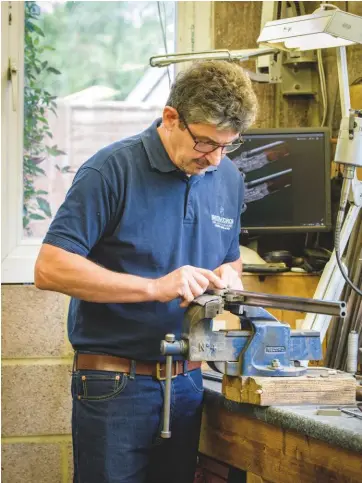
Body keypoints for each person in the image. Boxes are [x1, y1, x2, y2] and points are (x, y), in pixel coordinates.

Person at [34, 60, 257, 483]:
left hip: (190, 382)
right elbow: (50, 268)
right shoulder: (111, 170)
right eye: (206, 143)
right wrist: (155, 287)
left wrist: (229, 275)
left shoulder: (227, 177)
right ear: (171, 118)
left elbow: (230, 257)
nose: (214, 159)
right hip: (115, 384)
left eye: (228, 145)